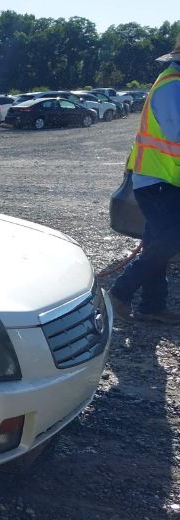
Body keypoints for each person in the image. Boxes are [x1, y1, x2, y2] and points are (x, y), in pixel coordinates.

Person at [109, 38, 180, 325]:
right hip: (156, 179)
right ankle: (121, 291)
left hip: (163, 178)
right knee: (169, 240)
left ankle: (152, 305)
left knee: (156, 242)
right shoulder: (171, 86)